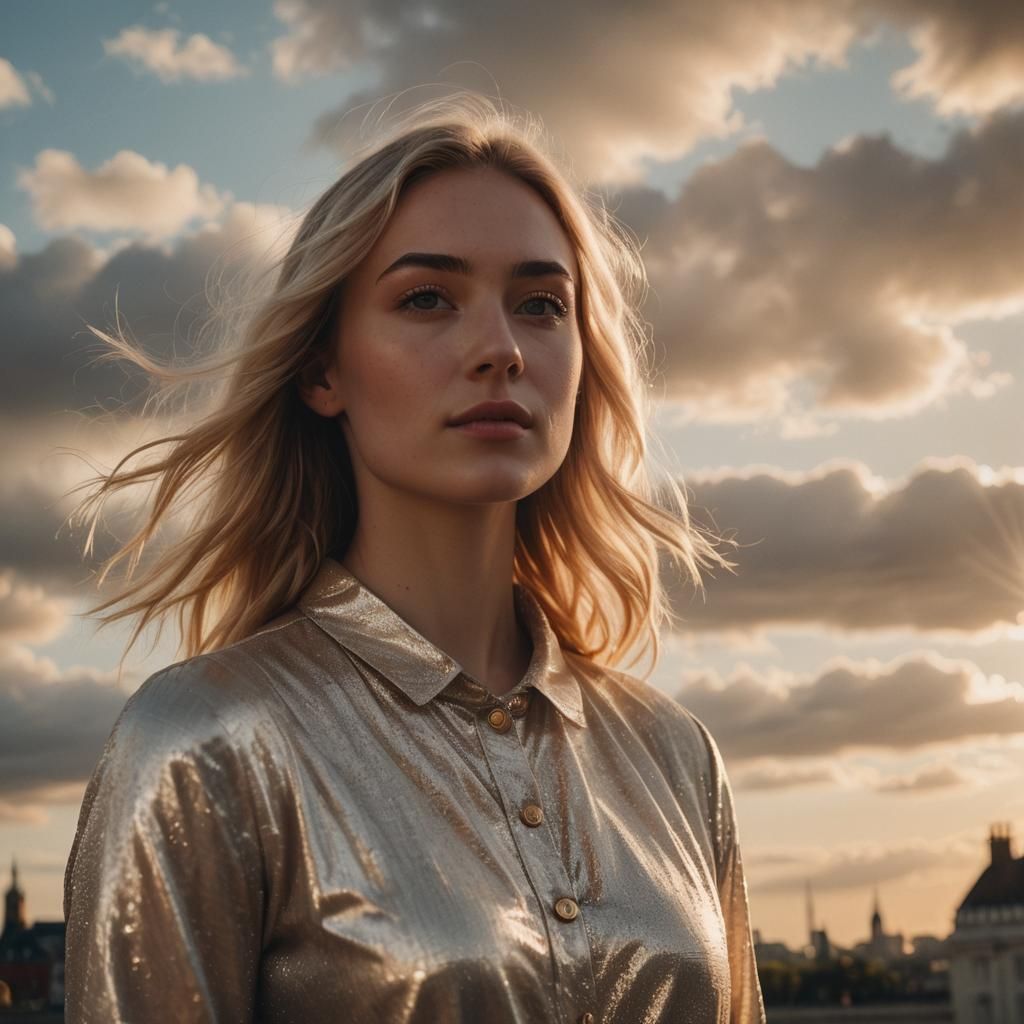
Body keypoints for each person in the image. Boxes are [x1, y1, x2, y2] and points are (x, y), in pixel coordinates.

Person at [62, 91, 766, 1023]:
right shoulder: (204, 747)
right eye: (427, 298)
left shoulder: (676, 757)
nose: (501, 349)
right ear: (323, 371)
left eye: (542, 304)